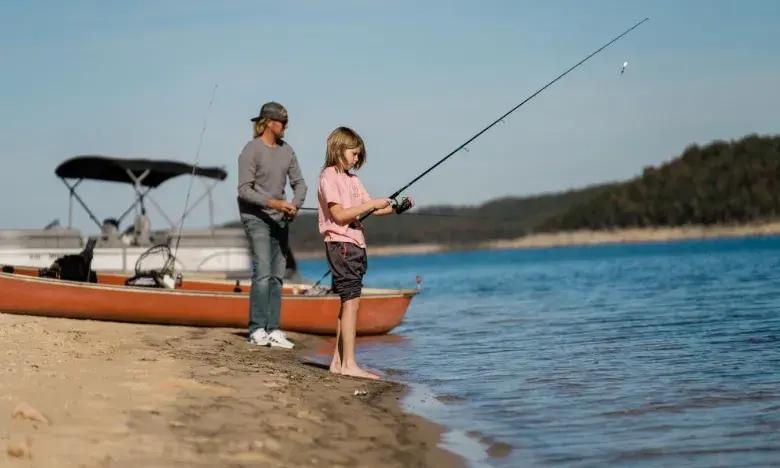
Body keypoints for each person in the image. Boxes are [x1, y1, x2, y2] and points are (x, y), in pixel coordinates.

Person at [317, 127, 413, 379]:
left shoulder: (353, 180)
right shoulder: (329, 176)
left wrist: (395, 208)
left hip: (355, 245)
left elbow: (368, 209)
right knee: (351, 304)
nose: (357, 159)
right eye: (354, 153)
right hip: (342, 245)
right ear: (338, 149)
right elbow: (338, 215)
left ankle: (338, 363)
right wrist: (370, 204)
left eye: (359, 155)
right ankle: (349, 365)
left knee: (347, 304)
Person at [238, 101, 307, 349]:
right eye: (283, 122)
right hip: (255, 218)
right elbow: (244, 190)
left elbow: (300, 184)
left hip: (280, 220)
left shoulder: (287, 151)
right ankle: (256, 329)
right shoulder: (251, 150)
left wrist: (295, 205)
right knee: (263, 272)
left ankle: (273, 329)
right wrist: (275, 204)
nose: (286, 127)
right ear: (268, 122)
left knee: (278, 276)